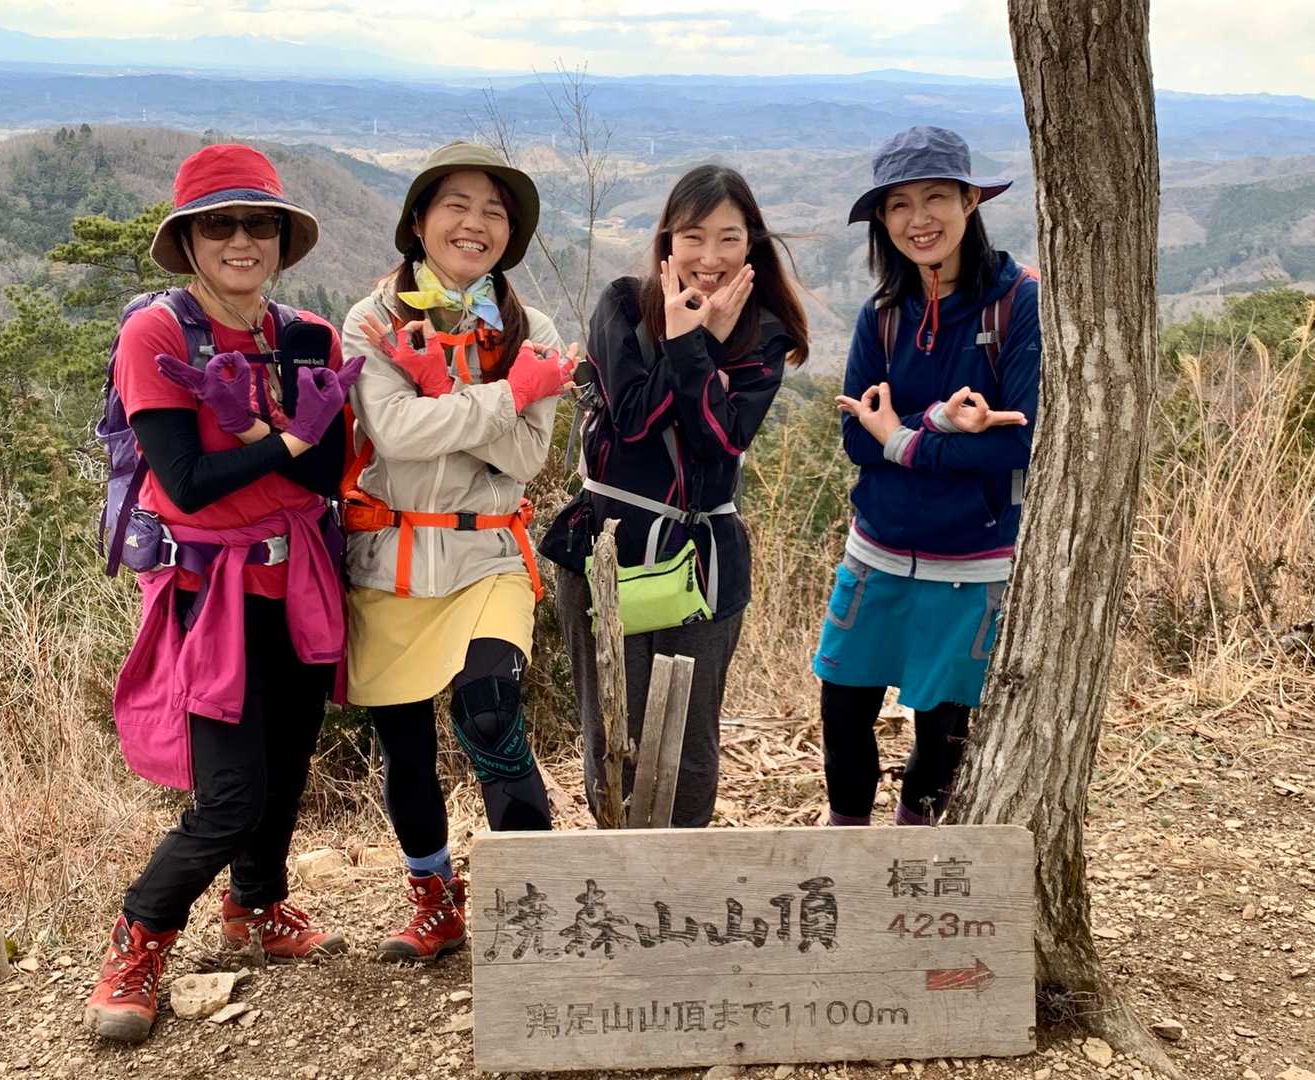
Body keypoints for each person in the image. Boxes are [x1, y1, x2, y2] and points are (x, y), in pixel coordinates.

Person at [84, 144, 360, 1042]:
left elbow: (327, 471)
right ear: (189, 241)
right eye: (219, 226)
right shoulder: (157, 335)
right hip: (212, 590)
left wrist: (273, 439)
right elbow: (188, 482)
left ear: (281, 237)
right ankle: (139, 940)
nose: (241, 240)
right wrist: (283, 438)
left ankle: (256, 905)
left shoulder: (307, 337)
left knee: (288, 760)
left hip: (299, 575)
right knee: (231, 793)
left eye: (258, 224)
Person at [339, 142, 573, 963]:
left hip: (486, 555)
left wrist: (447, 397)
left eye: (494, 212)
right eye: (456, 205)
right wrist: (507, 396)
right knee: (404, 749)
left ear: (510, 234)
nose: (475, 224)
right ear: (418, 221)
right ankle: (435, 900)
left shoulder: (530, 328)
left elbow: (527, 458)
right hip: (390, 557)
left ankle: (535, 906)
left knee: (489, 710)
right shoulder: (371, 320)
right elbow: (396, 435)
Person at [541, 164, 809, 828]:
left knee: (687, 746)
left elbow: (720, 438)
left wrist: (692, 345)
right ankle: (619, 868)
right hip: (605, 549)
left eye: (728, 238)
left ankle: (678, 874)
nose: (710, 257)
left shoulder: (764, 332)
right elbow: (633, 419)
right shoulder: (624, 305)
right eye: (693, 237)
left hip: (701, 561)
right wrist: (695, 343)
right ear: (668, 241)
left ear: (751, 245)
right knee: (612, 733)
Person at [817, 125, 1040, 827]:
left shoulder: (1017, 303)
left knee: (940, 736)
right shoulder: (882, 314)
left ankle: (911, 863)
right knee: (841, 713)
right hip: (875, 551)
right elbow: (855, 435)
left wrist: (904, 439)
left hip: (971, 563)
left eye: (936, 197)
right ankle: (847, 860)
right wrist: (939, 425)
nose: (919, 219)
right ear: (882, 220)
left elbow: (1018, 440)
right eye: (898, 204)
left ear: (970, 201)